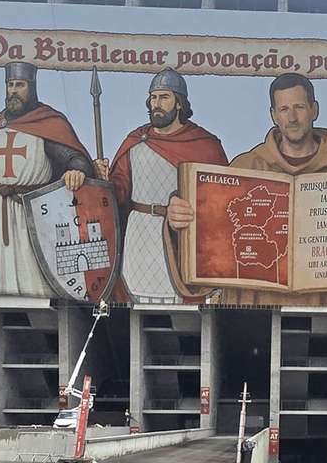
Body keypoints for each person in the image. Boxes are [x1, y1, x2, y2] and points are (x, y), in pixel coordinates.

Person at [167, 72, 327, 305]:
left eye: (299, 107)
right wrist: (182, 223)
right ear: (273, 114)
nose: (292, 117)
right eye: (284, 109)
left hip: (325, 317)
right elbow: (208, 254)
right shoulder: (244, 169)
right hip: (254, 313)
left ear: (314, 110)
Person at [94, 68, 228, 304]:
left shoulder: (203, 145)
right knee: (136, 299)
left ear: (179, 103)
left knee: (179, 303)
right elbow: (120, 192)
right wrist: (105, 181)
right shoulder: (135, 141)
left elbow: (221, 201)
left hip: (180, 238)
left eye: (164, 97)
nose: (156, 103)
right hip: (139, 233)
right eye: (153, 97)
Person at [0, 62, 93, 297]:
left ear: (31, 88)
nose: (13, 90)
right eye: (10, 85)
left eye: (19, 85)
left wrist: (77, 170)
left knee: (37, 280)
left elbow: (75, 158)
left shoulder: (48, 124)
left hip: (34, 211)